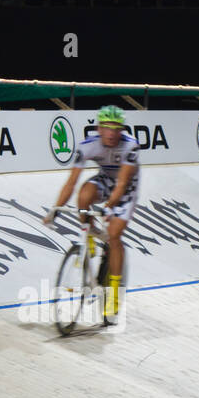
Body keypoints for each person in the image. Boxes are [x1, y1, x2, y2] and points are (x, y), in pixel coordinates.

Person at [46, 105, 139, 323]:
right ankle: (89, 234)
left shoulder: (131, 146)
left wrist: (109, 206)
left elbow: (123, 183)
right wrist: (54, 210)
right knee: (84, 194)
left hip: (126, 189)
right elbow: (71, 182)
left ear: (122, 130)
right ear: (98, 128)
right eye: (106, 128)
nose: (111, 133)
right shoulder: (87, 146)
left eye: (116, 129)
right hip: (106, 179)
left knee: (115, 235)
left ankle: (114, 291)